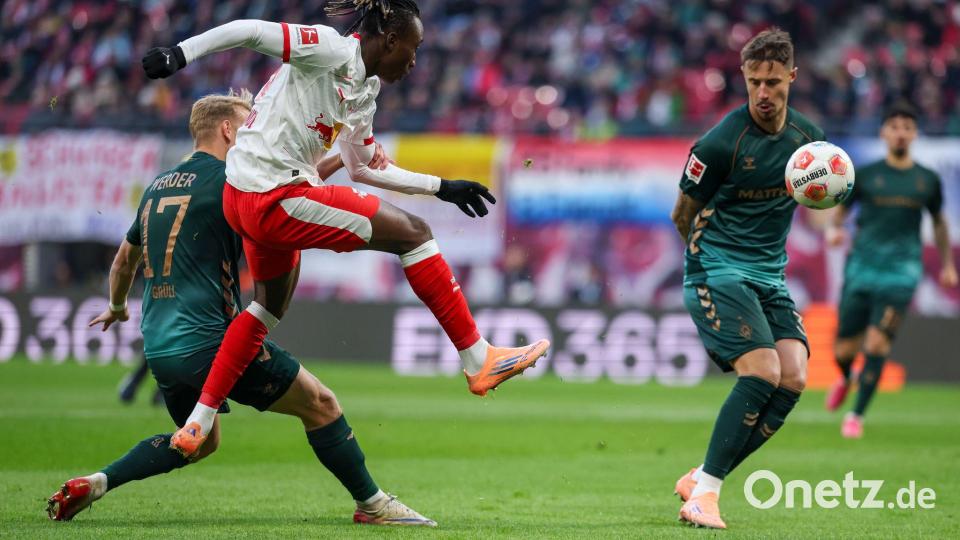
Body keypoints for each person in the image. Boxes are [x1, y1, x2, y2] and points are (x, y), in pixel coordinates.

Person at [140, 0, 550, 458]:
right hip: (272, 198)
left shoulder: (363, 91)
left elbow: (362, 167)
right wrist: (180, 53)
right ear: (390, 40)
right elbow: (250, 30)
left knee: (265, 310)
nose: (413, 63)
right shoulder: (330, 49)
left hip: (244, 197)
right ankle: (478, 358)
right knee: (413, 234)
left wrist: (442, 187)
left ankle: (200, 419)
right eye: (411, 51)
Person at [47, 91, 438, 527]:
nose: (257, 133)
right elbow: (287, 195)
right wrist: (344, 160)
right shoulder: (233, 179)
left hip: (159, 345)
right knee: (321, 404)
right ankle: (373, 505)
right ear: (228, 131)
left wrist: (117, 306)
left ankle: (98, 481)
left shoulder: (157, 186)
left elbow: (124, 261)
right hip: (212, 341)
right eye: (247, 124)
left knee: (199, 440)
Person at [668, 28, 825, 529]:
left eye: (773, 83)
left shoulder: (809, 145)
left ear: (792, 78)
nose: (762, 93)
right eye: (754, 81)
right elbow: (681, 214)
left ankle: (702, 478)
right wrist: (704, 269)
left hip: (769, 277)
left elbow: (817, 201)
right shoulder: (719, 143)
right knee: (761, 371)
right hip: (717, 270)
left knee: (794, 378)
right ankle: (705, 498)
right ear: (743, 77)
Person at [824, 101, 957, 438]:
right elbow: (840, 212)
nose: (900, 133)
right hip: (861, 268)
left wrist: (947, 265)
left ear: (914, 134)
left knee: (878, 344)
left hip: (901, 272)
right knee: (844, 350)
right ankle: (846, 376)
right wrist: (834, 230)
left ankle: (856, 415)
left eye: (907, 127)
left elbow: (939, 222)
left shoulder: (926, 180)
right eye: (894, 126)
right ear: (884, 132)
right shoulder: (866, 175)